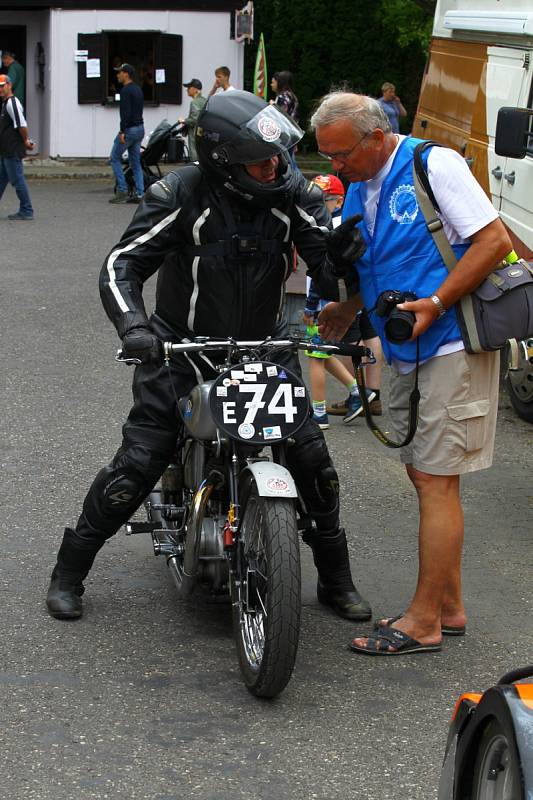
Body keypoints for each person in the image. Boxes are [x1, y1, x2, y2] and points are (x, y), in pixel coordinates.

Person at [45, 90, 371, 625]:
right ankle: (69, 571)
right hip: (183, 351)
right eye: (261, 161)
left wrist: (342, 262)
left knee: (312, 459)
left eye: (278, 157)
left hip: (265, 350)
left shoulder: (295, 194)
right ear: (224, 164)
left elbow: (325, 263)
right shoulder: (180, 193)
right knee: (140, 461)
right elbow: (121, 265)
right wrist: (134, 326)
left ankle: (336, 579)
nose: (276, 167)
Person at [310, 91, 512, 656]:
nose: (335, 167)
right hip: (405, 349)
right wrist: (346, 310)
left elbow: (494, 241)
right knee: (426, 476)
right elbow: (372, 260)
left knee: (435, 478)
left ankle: (424, 621)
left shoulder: (432, 163)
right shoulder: (357, 186)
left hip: (449, 342)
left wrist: (438, 302)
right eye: (328, 156)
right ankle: (449, 606)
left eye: (342, 154)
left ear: (376, 138)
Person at [303, 174, 378, 429]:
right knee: (321, 352)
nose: (321, 204)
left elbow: (319, 274)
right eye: (317, 199)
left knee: (314, 354)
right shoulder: (341, 225)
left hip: (328, 304)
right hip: (337, 300)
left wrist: (310, 306)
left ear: (339, 200)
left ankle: (319, 413)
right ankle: (358, 391)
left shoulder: (331, 230)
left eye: (326, 199)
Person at [109, 63, 145, 205]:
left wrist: (122, 131)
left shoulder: (125, 91)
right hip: (140, 128)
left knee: (114, 158)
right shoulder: (138, 89)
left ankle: (122, 190)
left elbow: (125, 114)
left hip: (129, 129)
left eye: (119, 72)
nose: (117, 75)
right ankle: (140, 193)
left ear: (126, 74)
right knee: (135, 162)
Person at [0, 73, 34, 220]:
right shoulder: (5, 103)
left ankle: (27, 210)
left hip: (12, 149)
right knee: (1, 179)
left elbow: (21, 125)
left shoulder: (12, 103)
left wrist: (26, 141)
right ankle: (26, 210)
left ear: (9, 85)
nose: (0, 89)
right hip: (5, 150)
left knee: (17, 180)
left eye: (2, 86)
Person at [178, 78, 206, 161]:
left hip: (194, 133)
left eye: (189, 88)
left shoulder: (194, 102)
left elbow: (194, 119)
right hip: (201, 133)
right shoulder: (204, 100)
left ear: (195, 89)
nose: (187, 90)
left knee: (194, 156)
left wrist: (183, 121)